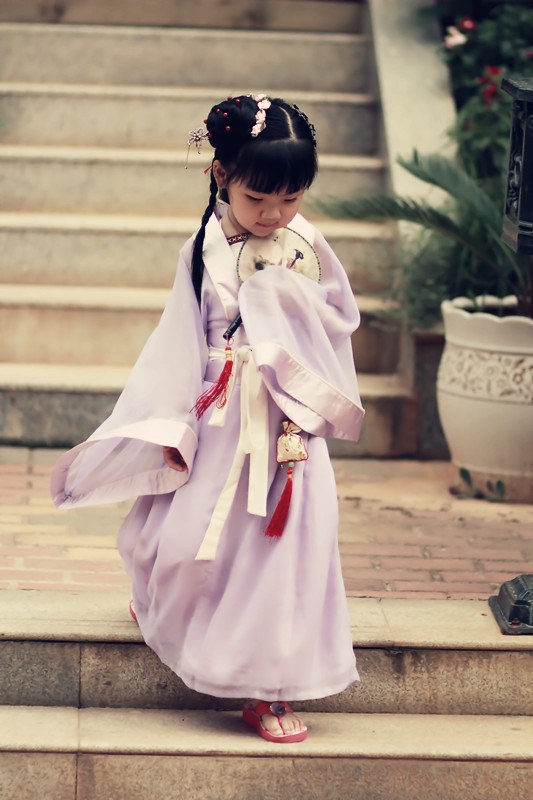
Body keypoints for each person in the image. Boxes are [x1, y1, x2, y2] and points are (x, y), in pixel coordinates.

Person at [51, 93, 365, 744]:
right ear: (221, 175)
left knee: (281, 552)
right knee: (190, 541)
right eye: (258, 199)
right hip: (223, 412)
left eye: (291, 198)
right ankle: (160, 603)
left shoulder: (305, 244)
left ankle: (264, 687)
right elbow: (180, 341)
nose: (274, 213)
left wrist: (289, 314)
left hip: (287, 422)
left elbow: (338, 321)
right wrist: (173, 425)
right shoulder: (202, 248)